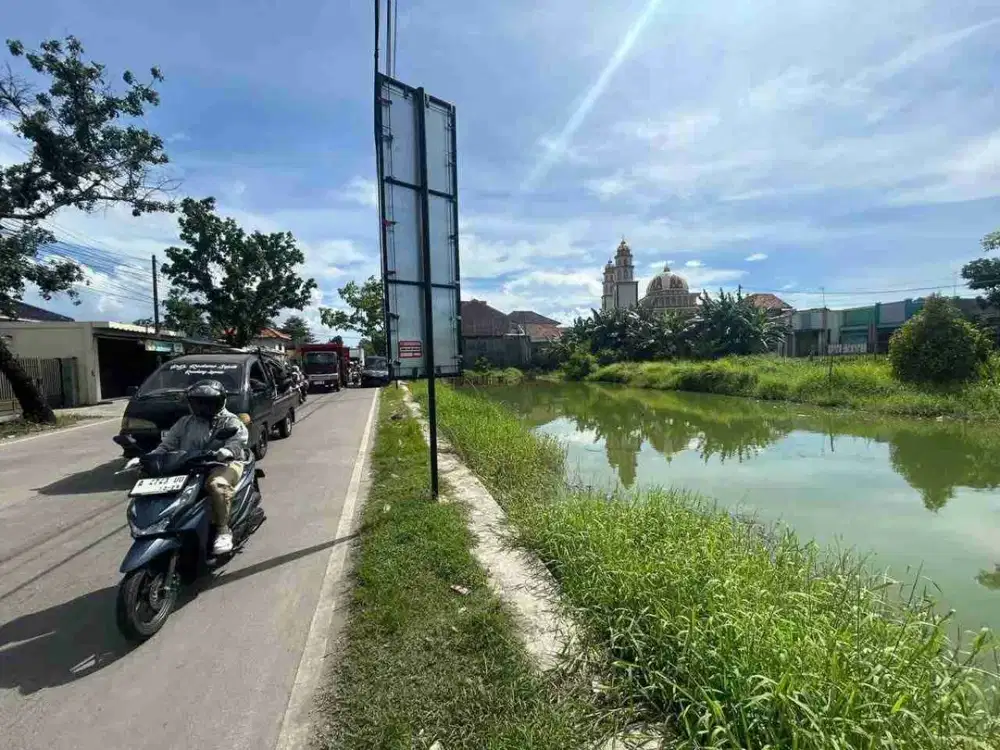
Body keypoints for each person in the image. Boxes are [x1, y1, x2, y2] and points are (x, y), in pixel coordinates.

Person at [152, 379, 249, 554]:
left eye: (209, 402)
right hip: (189, 465)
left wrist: (227, 451)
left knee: (217, 486)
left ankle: (223, 530)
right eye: (199, 402)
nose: (204, 407)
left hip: (224, 463)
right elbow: (167, 445)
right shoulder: (185, 422)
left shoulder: (230, 421)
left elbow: (238, 441)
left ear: (221, 401)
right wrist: (150, 457)